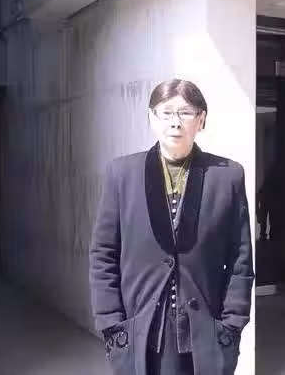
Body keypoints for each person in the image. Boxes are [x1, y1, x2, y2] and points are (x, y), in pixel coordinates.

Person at [90, 79, 254, 375]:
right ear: (151, 118)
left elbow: (241, 260)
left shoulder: (227, 176)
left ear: (201, 120)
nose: (175, 122)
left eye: (185, 113)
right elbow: (103, 255)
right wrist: (112, 324)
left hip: (205, 331)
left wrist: (232, 325)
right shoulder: (122, 174)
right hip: (141, 331)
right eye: (166, 112)